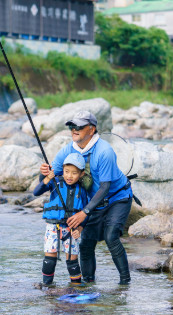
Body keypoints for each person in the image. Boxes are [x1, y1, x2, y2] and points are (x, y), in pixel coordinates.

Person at [39, 111, 134, 285]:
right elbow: (50, 179)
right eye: (72, 127)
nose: (74, 130)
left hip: (117, 198)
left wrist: (84, 212)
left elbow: (105, 187)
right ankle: (88, 284)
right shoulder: (67, 151)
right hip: (92, 203)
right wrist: (44, 174)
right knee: (86, 244)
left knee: (111, 236)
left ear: (91, 129)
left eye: (79, 127)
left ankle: (125, 284)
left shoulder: (104, 151)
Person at [33, 153, 89, 286]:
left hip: (71, 229)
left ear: (81, 174)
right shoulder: (55, 182)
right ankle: (47, 286)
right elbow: (36, 192)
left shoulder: (82, 190)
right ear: (62, 170)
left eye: (74, 173)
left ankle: (76, 288)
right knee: (49, 259)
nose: (69, 176)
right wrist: (47, 179)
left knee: (72, 261)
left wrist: (80, 229)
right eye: (66, 172)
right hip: (53, 226)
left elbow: (86, 213)